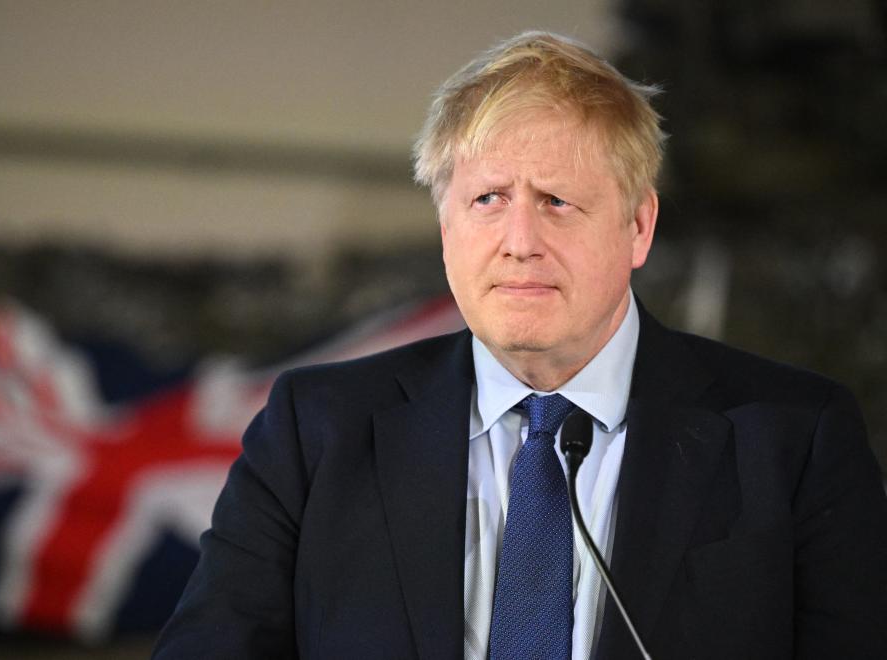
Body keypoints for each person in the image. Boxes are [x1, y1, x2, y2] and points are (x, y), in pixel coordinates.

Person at [152, 31, 887, 659]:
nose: (520, 244)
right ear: (447, 230)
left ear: (638, 226)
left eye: (558, 202)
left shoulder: (794, 439)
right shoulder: (314, 432)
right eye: (487, 201)